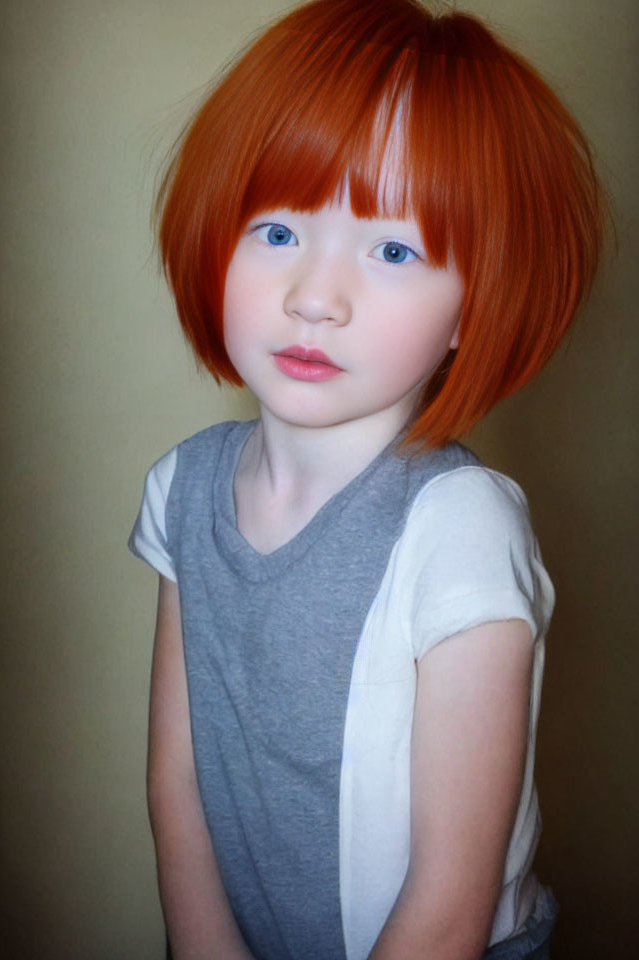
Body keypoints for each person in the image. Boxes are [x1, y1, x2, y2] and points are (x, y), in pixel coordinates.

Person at [128, 1, 603, 957]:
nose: (313, 297)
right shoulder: (184, 489)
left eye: (394, 250)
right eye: (274, 230)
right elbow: (178, 779)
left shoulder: (458, 525)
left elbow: (450, 897)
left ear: (478, 301)